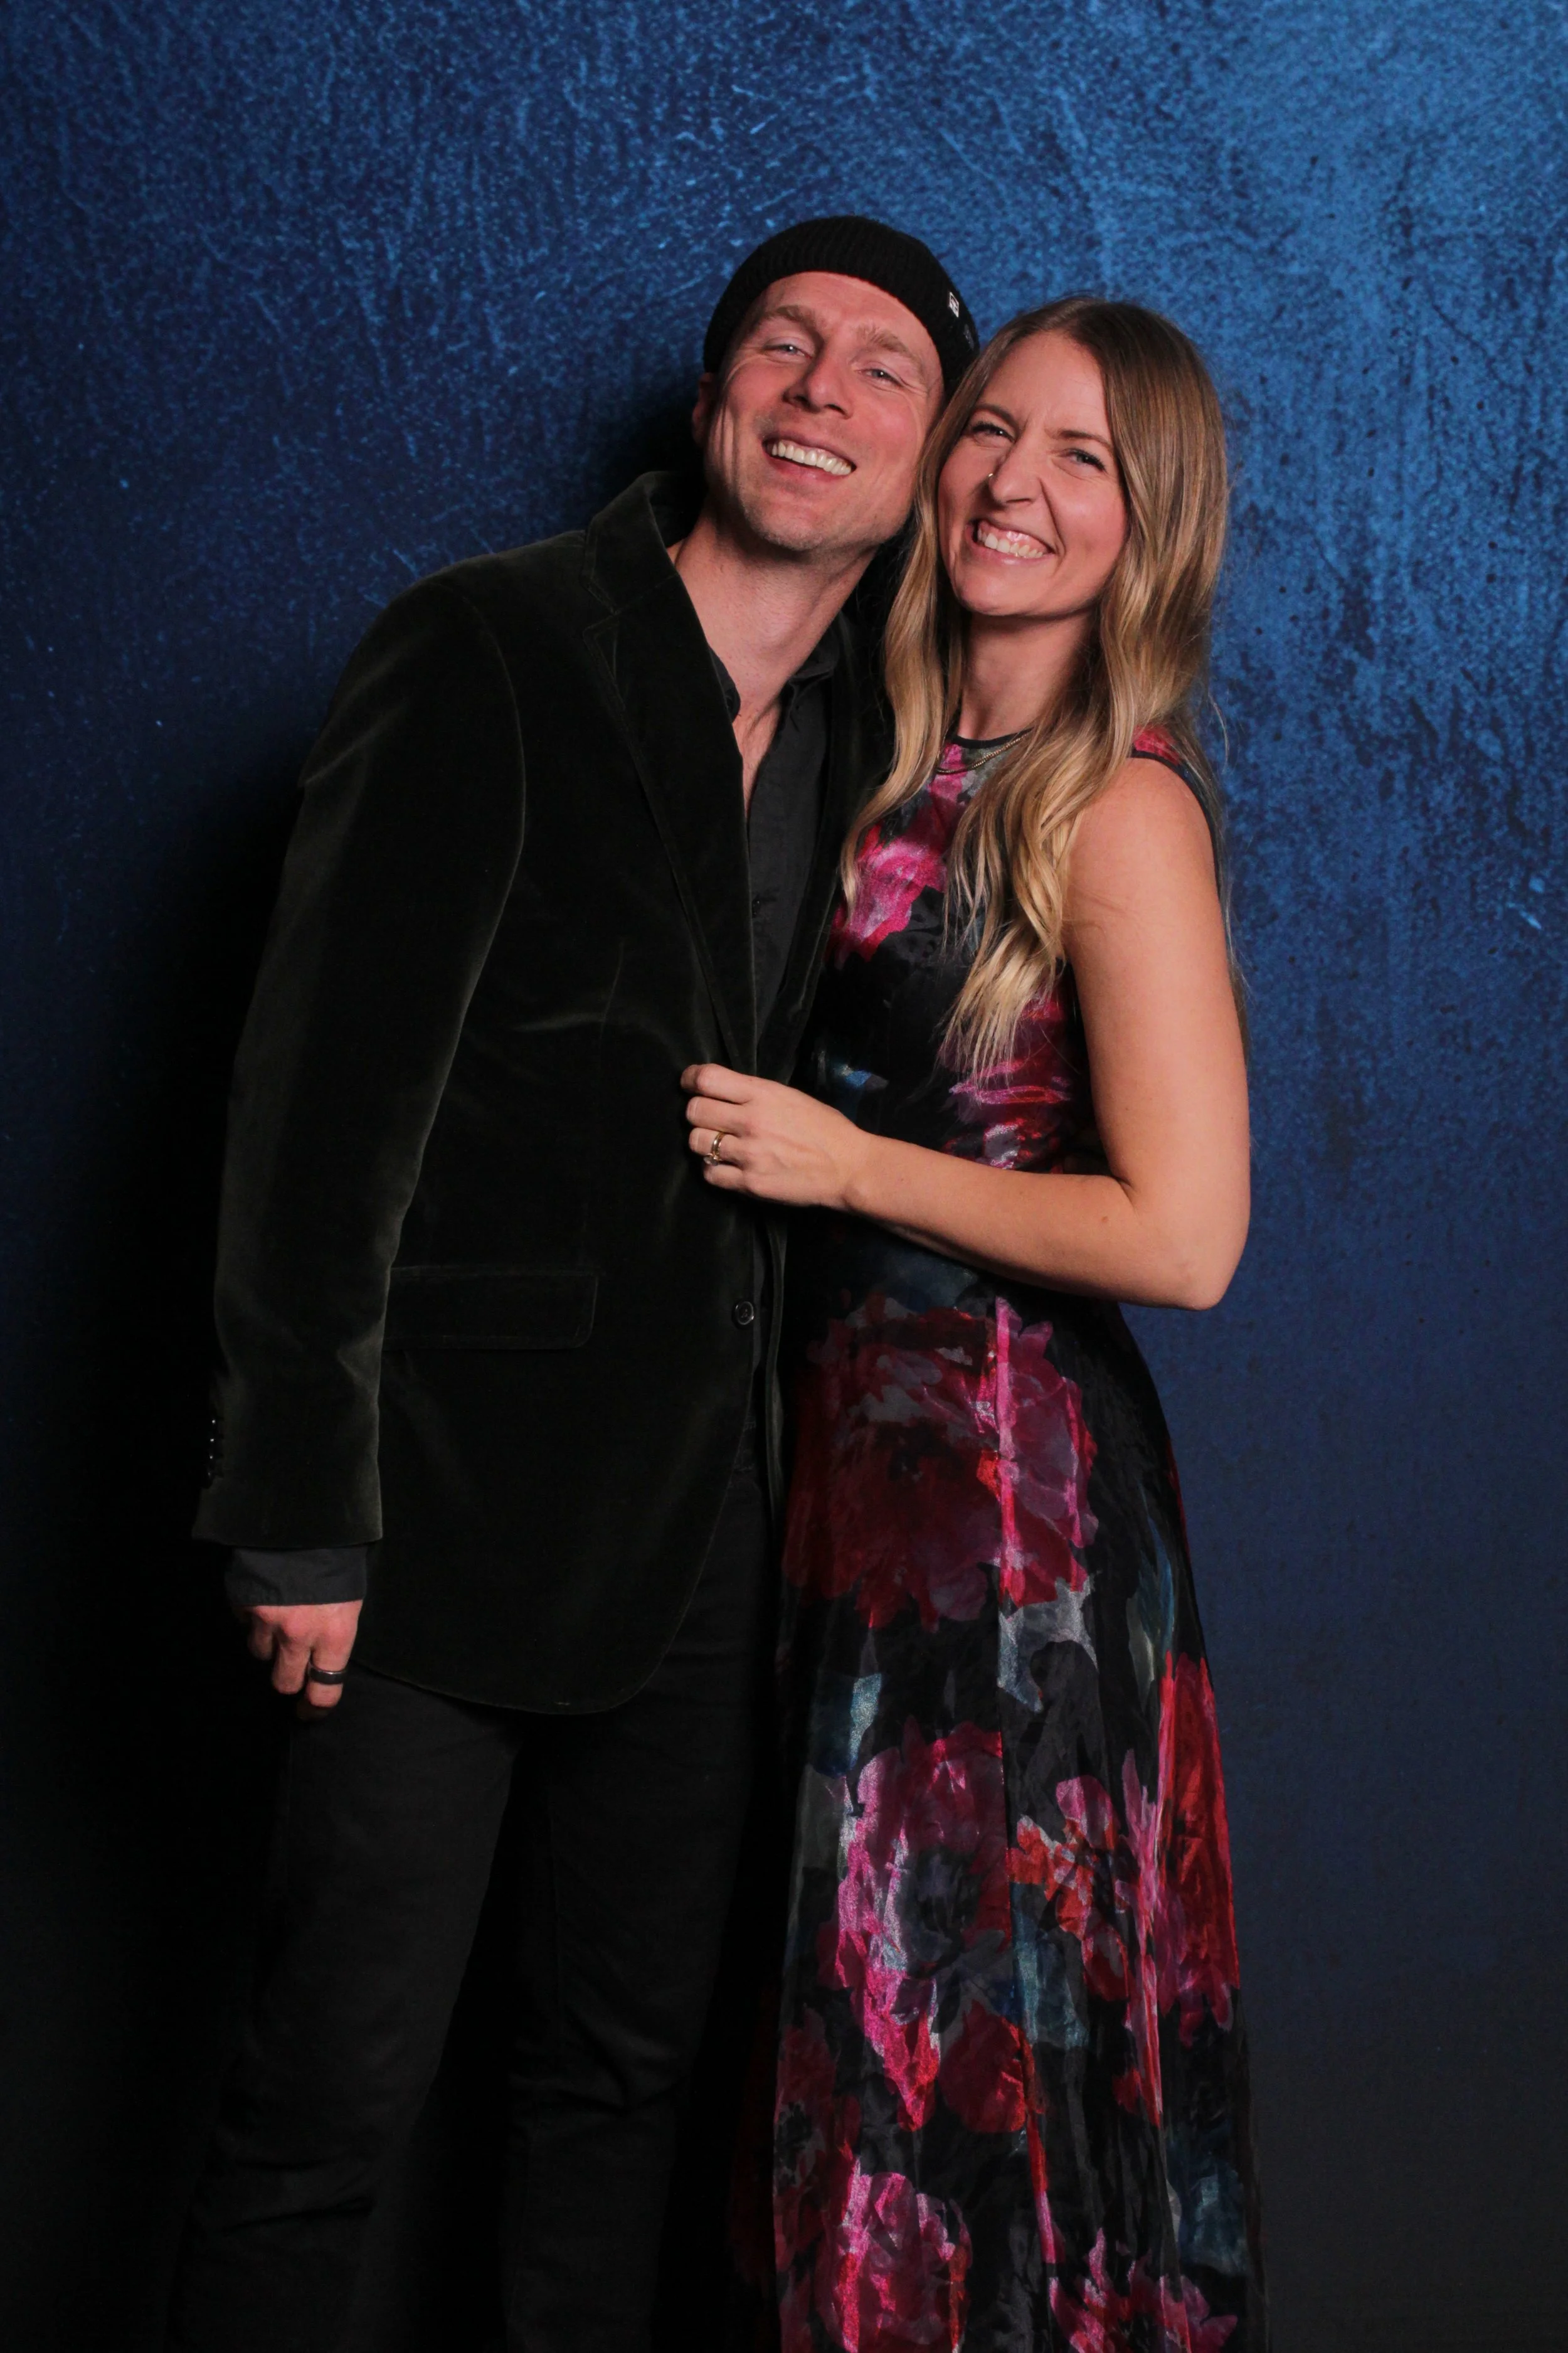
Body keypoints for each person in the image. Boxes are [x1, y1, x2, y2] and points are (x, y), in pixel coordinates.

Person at [167, 217, 977, 2353]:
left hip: (707, 1534)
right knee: (322, 2098)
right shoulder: (487, 645)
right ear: (714, 395)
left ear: (922, 457)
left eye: (882, 368)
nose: (821, 390)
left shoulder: (863, 748)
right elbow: (320, 1108)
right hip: (423, 1525)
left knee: (617, 2092)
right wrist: (298, 1505)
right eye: (782, 345)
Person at [682, 298, 1268, 2348]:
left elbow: (1188, 1237)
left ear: (1149, 524)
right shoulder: (901, 749)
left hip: (1007, 1537)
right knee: (869, 2082)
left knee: (974, 2089)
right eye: (992, 430)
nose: (1013, 481)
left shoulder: (1112, 807)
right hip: (854, 1505)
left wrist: (845, 1169)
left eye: (1082, 458)